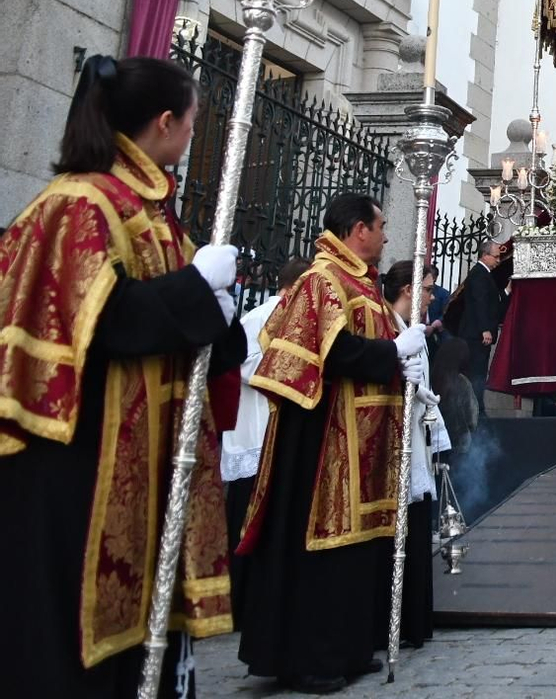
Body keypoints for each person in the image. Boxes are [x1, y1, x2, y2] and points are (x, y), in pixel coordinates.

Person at [0, 55, 243, 698]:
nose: (191, 134)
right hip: (80, 459)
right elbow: (104, 319)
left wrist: (220, 314)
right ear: (164, 122)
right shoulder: (79, 202)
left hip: (147, 458)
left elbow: (197, 334)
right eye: (191, 121)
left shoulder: (153, 211)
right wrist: (195, 290)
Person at [235, 192, 429, 694]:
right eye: (381, 227)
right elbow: (332, 351)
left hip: (363, 442)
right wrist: (392, 351)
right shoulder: (321, 280)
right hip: (323, 444)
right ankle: (309, 657)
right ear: (359, 229)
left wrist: (401, 364)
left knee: (356, 553)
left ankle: (347, 648)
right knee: (322, 551)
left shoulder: (360, 283)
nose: (386, 236)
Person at [226, 255, 313, 607]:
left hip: (276, 430)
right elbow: (242, 364)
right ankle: (238, 598)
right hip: (255, 431)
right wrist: (288, 371)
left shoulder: (298, 318)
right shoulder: (261, 317)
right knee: (244, 519)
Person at [379, 259, 447, 651]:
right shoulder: (390, 327)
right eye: (426, 289)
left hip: (416, 434)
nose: (430, 297)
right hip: (396, 440)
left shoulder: (411, 329)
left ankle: (412, 621)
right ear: (408, 290)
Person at [455, 238, 509, 411]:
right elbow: (480, 302)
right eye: (496, 257)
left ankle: (477, 407)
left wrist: (507, 291)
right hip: (475, 335)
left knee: (479, 373)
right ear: (485, 255)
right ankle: (475, 410)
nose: (498, 261)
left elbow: (491, 300)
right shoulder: (479, 273)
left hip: (477, 334)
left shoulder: (484, 274)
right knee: (475, 373)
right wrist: (485, 329)